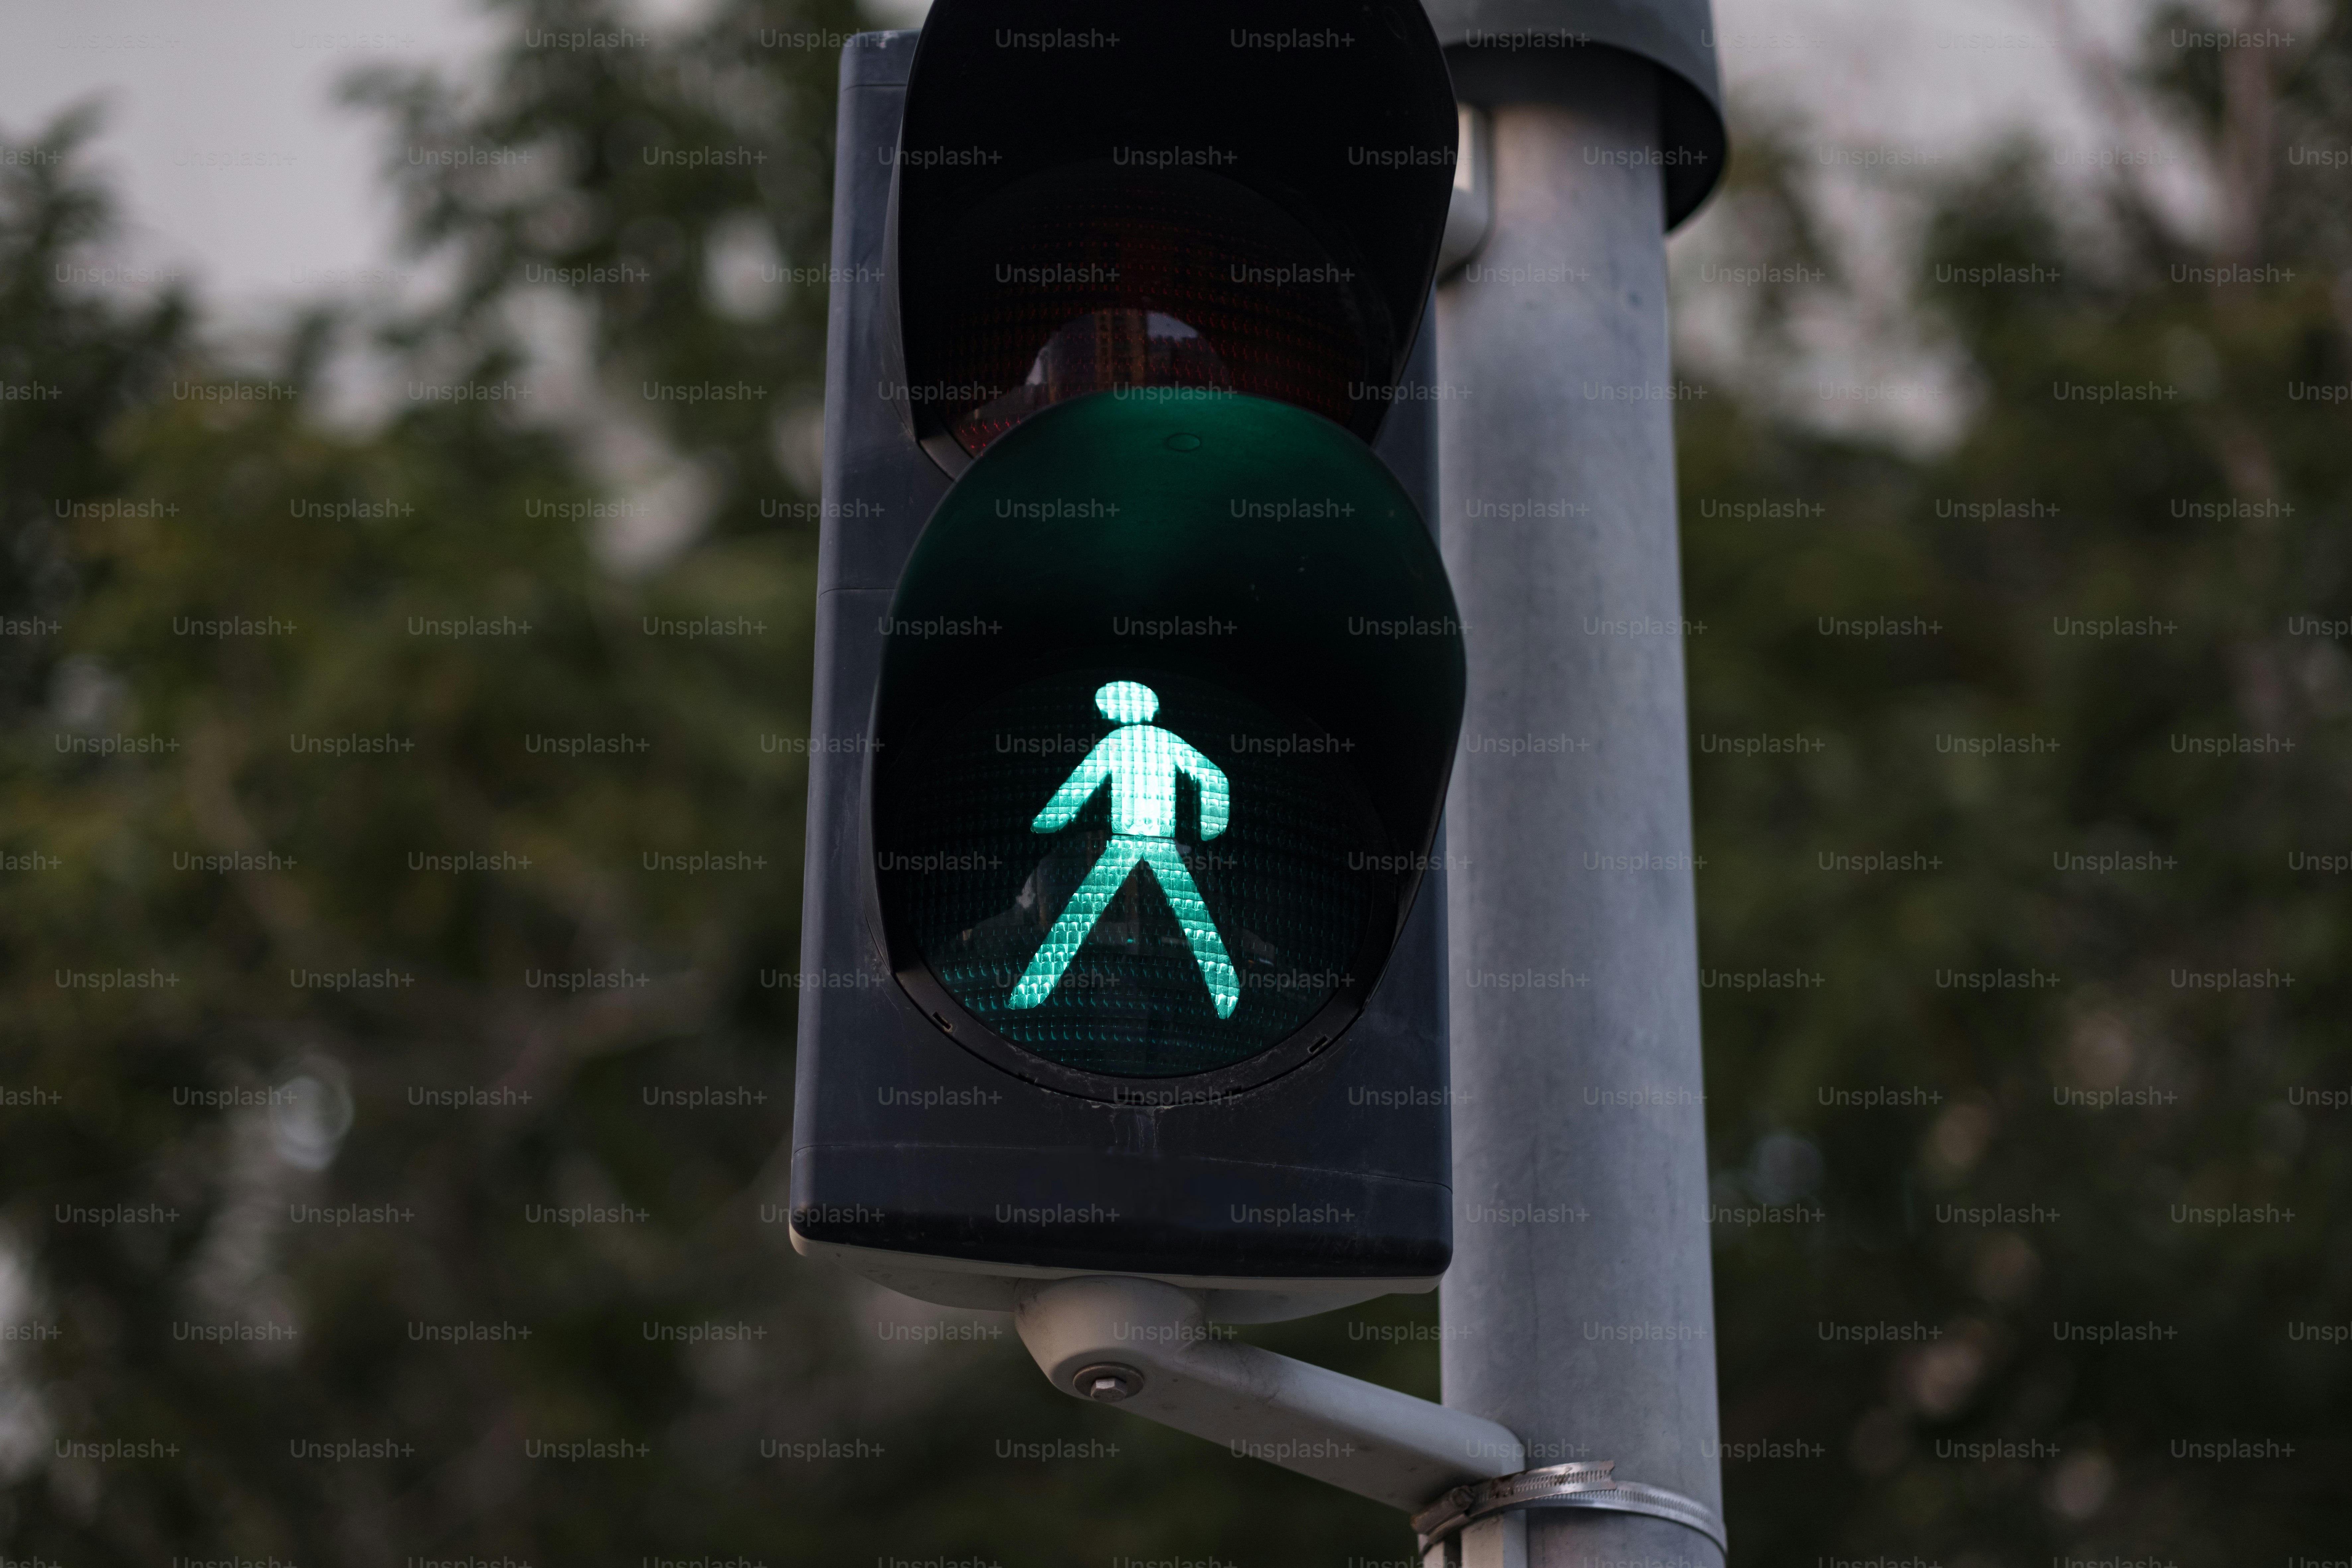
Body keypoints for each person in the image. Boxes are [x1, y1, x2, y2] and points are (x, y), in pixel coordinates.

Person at [1007, 680, 1240, 1018]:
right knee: (1192, 916)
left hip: (1131, 841)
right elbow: (1214, 777)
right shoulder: (1166, 741)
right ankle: (1226, 994)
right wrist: (1211, 826)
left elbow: (1079, 786)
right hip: (1155, 841)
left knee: (1079, 914)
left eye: (1110, 706)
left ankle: (1032, 990)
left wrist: (1046, 824)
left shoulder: (1117, 742)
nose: (1108, 711)